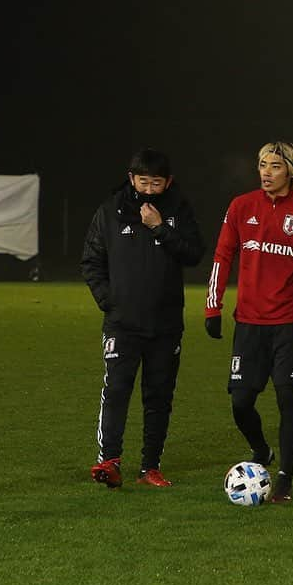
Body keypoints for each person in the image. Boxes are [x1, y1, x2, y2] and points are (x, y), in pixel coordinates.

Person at [205, 140, 293, 503]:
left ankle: (285, 477)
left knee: (287, 398)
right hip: (248, 324)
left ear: (292, 171)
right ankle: (262, 451)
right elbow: (222, 257)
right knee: (241, 402)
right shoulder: (240, 207)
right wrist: (212, 307)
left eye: (275, 165)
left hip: (288, 325)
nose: (266, 172)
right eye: (262, 164)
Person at [81, 149, 204, 488]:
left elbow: (194, 253)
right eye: (143, 181)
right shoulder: (110, 212)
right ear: (132, 177)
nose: (149, 189)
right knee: (117, 390)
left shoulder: (178, 209)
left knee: (159, 396)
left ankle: (150, 467)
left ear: (168, 182)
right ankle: (109, 461)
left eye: (157, 183)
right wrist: (110, 301)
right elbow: (91, 261)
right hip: (123, 324)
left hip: (165, 324)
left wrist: (160, 228)